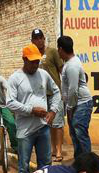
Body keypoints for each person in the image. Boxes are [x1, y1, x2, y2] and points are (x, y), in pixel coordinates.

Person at [7, 44, 61, 173]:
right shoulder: (15, 78)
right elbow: (10, 103)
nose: (35, 65)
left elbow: (56, 92)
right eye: (32, 62)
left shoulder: (43, 75)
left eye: (37, 61)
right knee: (24, 167)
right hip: (25, 131)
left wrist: (53, 111)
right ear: (24, 59)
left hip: (43, 128)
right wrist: (31, 110)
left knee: (45, 166)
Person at [31, 29, 65, 163]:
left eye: (41, 38)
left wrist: (64, 91)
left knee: (58, 124)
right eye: (36, 38)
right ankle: (51, 149)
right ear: (32, 40)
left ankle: (59, 151)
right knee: (47, 124)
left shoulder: (52, 52)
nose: (39, 40)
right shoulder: (32, 55)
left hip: (54, 93)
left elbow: (61, 70)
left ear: (44, 39)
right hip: (41, 96)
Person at [57, 35, 93, 159]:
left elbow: (73, 90)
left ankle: (88, 163)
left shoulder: (72, 65)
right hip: (75, 104)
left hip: (81, 104)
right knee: (75, 134)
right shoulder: (70, 63)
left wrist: (70, 108)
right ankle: (79, 161)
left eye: (58, 49)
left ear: (61, 49)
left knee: (80, 133)